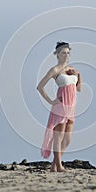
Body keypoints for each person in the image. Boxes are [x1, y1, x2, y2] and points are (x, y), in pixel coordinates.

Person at [37, 41, 82, 172]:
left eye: (68, 53)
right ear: (57, 54)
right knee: (59, 136)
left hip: (72, 107)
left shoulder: (71, 69)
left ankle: (54, 166)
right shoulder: (55, 70)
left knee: (67, 140)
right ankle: (59, 166)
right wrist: (51, 101)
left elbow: (78, 89)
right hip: (61, 105)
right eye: (63, 53)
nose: (66, 55)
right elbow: (40, 87)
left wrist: (78, 75)